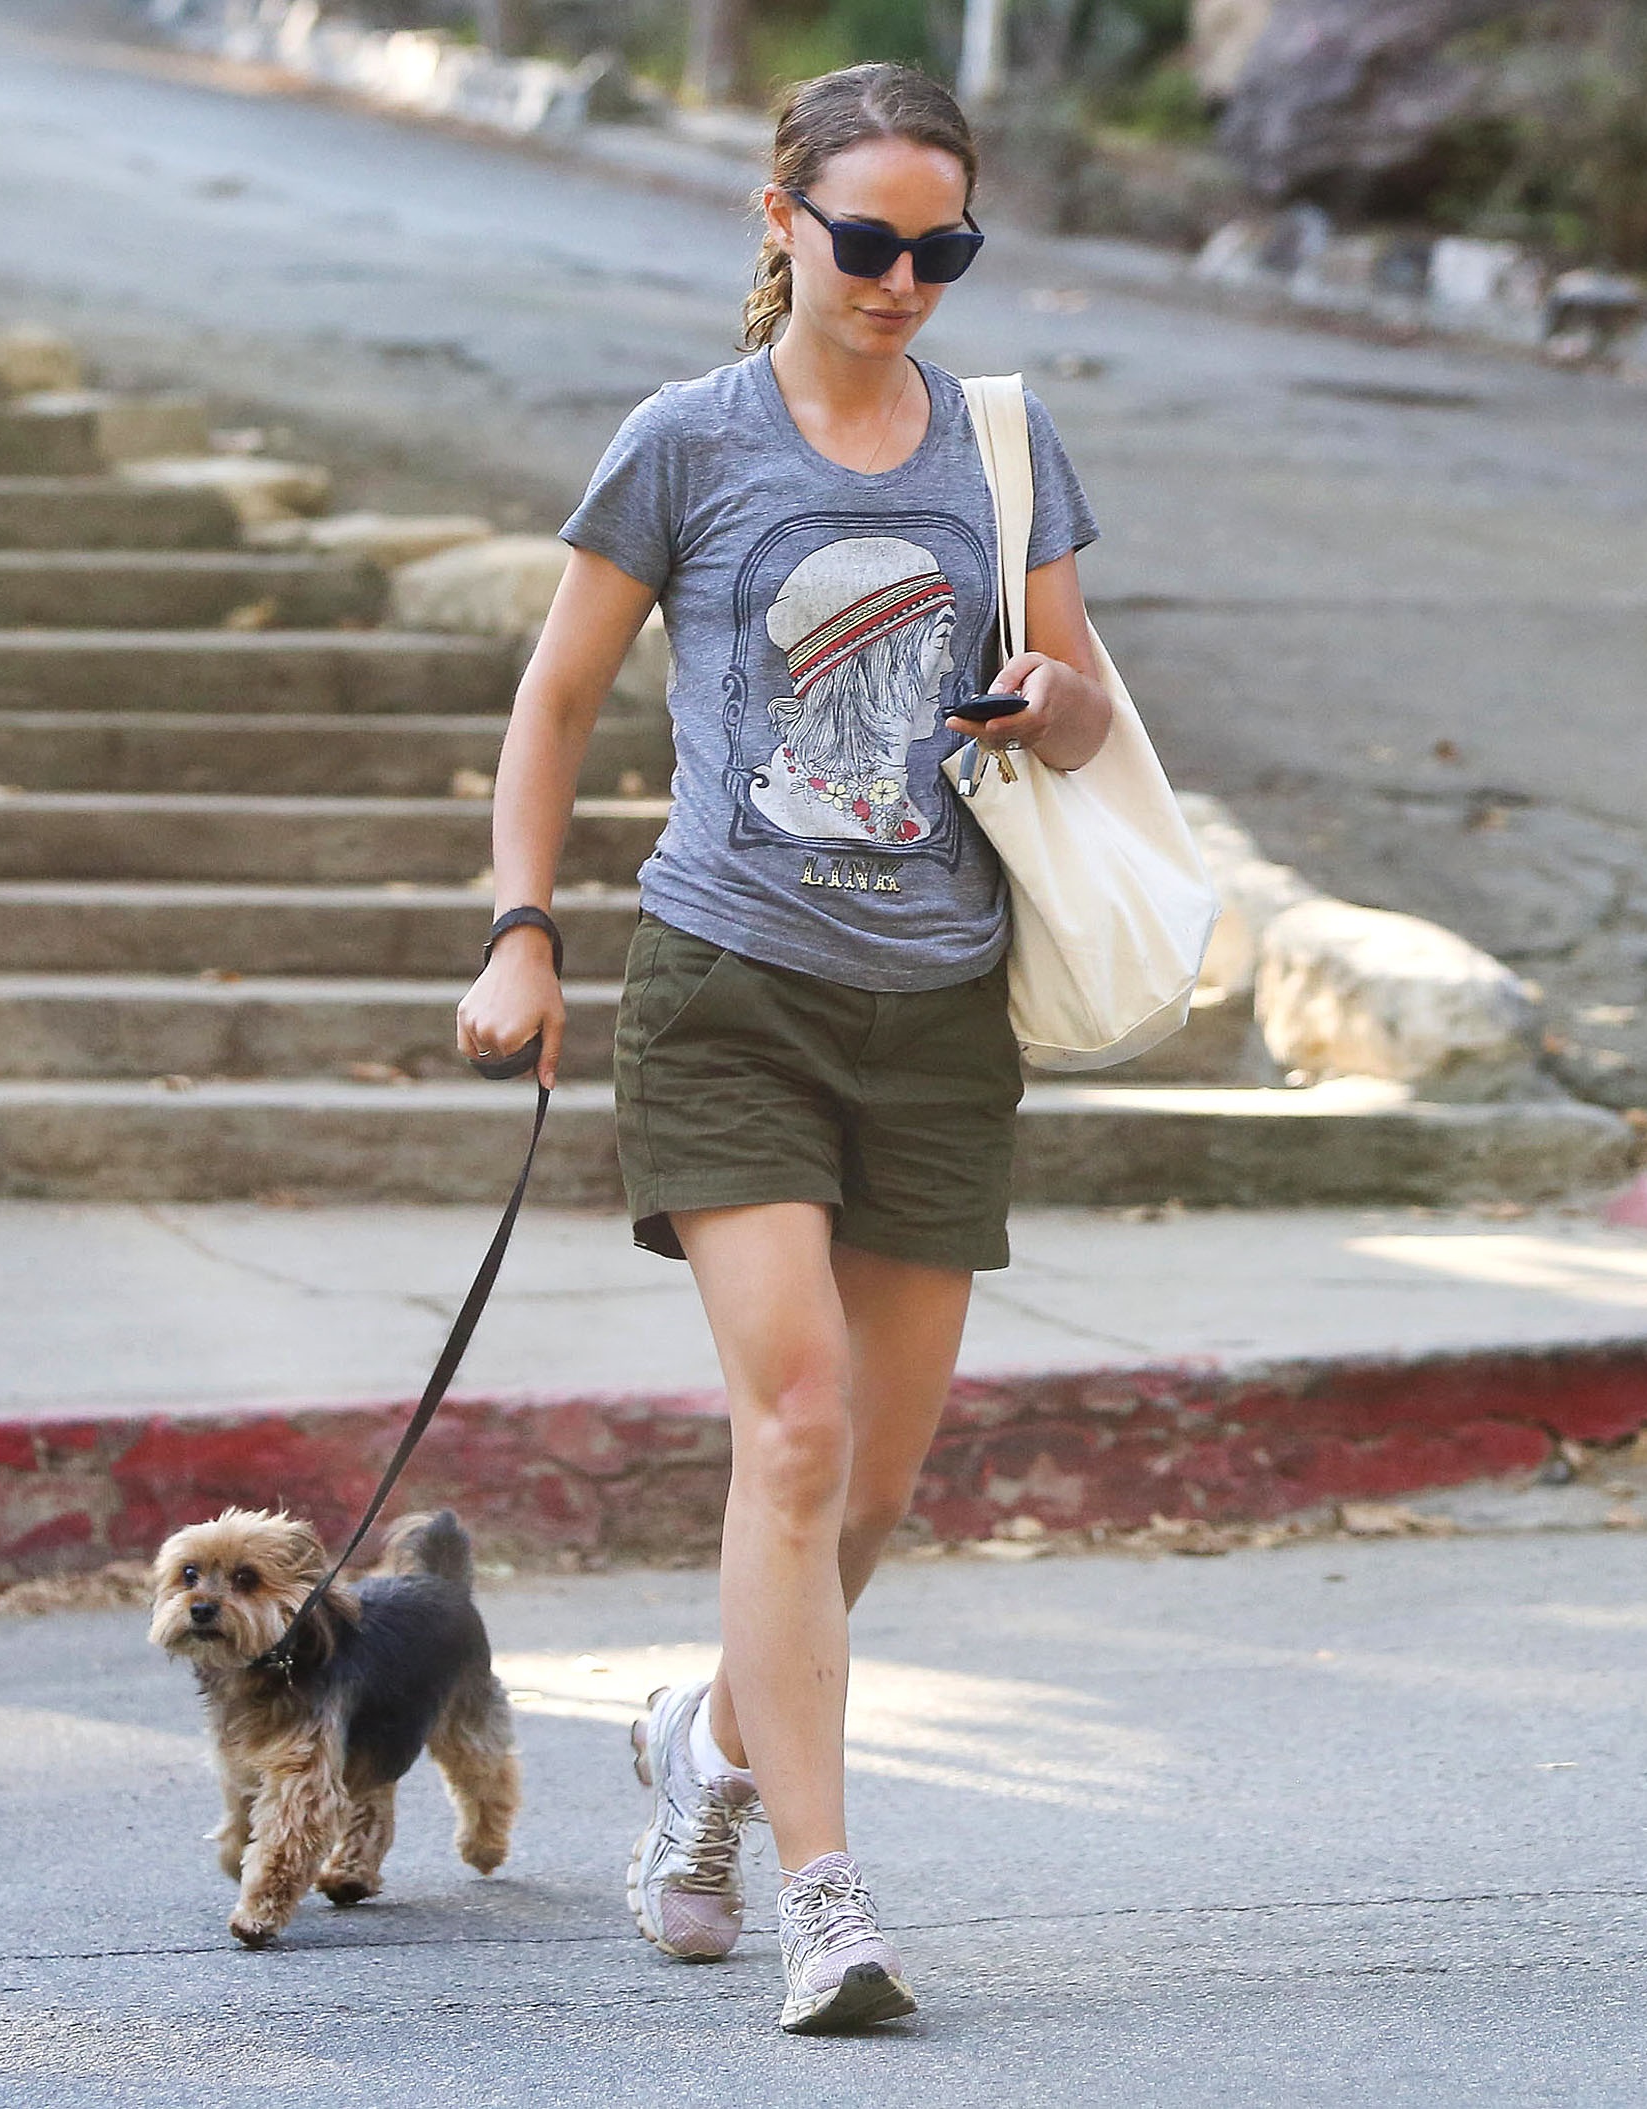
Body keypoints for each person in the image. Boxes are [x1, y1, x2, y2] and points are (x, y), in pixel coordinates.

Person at [453, 61, 1110, 2034]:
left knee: (877, 1490)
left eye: (944, 248)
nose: (905, 281)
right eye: (871, 242)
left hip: (940, 1010)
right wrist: (521, 925)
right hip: (733, 986)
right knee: (799, 1426)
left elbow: (1087, 711)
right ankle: (827, 1890)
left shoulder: (1000, 450)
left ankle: (707, 1743)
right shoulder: (688, 442)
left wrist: (1048, 698)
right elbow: (557, 698)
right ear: (781, 221)